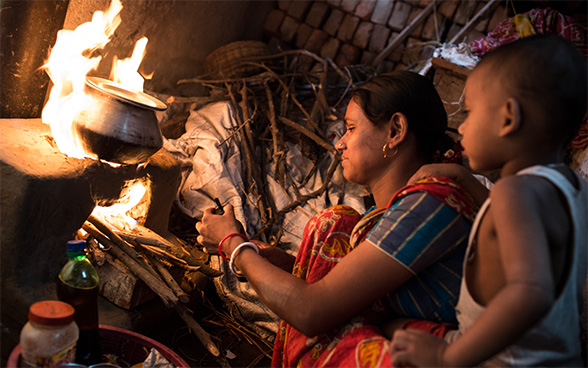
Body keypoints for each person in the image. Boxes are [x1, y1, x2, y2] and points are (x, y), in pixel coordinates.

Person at [196, 71, 478, 367]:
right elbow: (359, 289)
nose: (339, 143)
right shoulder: (390, 213)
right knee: (335, 225)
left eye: (351, 128)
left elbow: (312, 312)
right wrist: (296, 269)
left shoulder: (429, 204)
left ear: (395, 131)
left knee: (333, 225)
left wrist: (234, 245)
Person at [390, 33, 588, 367]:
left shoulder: (516, 192)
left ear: (508, 118)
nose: (463, 128)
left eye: (469, 113)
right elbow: (511, 229)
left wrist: (447, 358)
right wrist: (464, 178)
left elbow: (530, 292)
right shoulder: (570, 188)